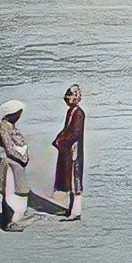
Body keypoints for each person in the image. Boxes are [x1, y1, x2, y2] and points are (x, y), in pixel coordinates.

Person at [0, 100, 31, 232]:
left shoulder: (10, 125)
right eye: (18, 114)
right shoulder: (4, 127)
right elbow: (9, 148)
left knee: (14, 191)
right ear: (12, 113)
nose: (20, 116)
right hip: (8, 163)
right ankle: (7, 222)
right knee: (9, 192)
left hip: (15, 162)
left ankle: (12, 218)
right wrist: (22, 158)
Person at [52, 86, 86, 222]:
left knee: (75, 180)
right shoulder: (71, 112)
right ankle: (71, 209)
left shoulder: (78, 113)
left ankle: (75, 212)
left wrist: (59, 141)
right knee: (71, 181)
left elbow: (74, 133)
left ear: (76, 97)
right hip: (68, 151)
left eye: (69, 95)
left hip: (74, 152)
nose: (66, 97)